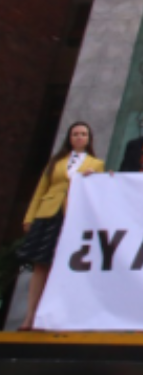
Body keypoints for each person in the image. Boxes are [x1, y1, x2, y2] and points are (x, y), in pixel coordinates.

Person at [17, 122, 105, 330]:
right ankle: (30, 316)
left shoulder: (96, 164)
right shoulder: (56, 162)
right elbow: (41, 189)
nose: (79, 137)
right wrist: (30, 217)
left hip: (72, 216)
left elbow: (98, 191)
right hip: (48, 213)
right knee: (40, 264)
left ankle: (49, 315)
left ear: (89, 138)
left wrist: (92, 177)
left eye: (83, 134)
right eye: (75, 134)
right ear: (69, 137)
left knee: (61, 265)